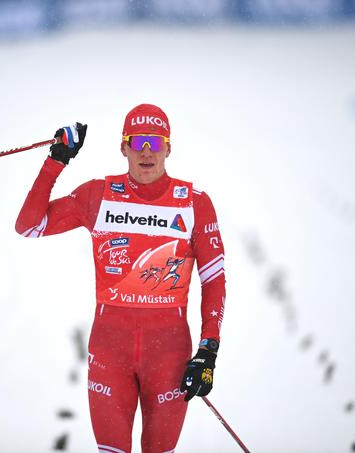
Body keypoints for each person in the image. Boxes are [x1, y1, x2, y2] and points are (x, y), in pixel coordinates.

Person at [15, 104, 226, 453]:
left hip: (169, 356)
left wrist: (209, 349)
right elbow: (29, 226)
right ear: (123, 147)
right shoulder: (98, 195)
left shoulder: (194, 202)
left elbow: (214, 279)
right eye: (138, 141)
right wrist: (56, 161)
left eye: (155, 143)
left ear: (168, 148)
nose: (146, 151)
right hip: (110, 353)